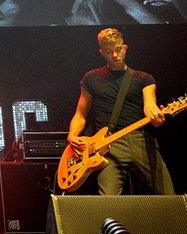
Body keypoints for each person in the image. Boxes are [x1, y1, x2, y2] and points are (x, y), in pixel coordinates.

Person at [66, 28, 175, 195]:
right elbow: (80, 115)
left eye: (118, 50)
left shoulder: (144, 78)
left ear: (125, 47)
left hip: (140, 140)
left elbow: (150, 106)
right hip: (107, 144)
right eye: (109, 52)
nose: (115, 55)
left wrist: (156, 117)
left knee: (169, 197)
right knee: (108, 202)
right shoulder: (91, 78)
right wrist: (72, 135)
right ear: (101, 52)